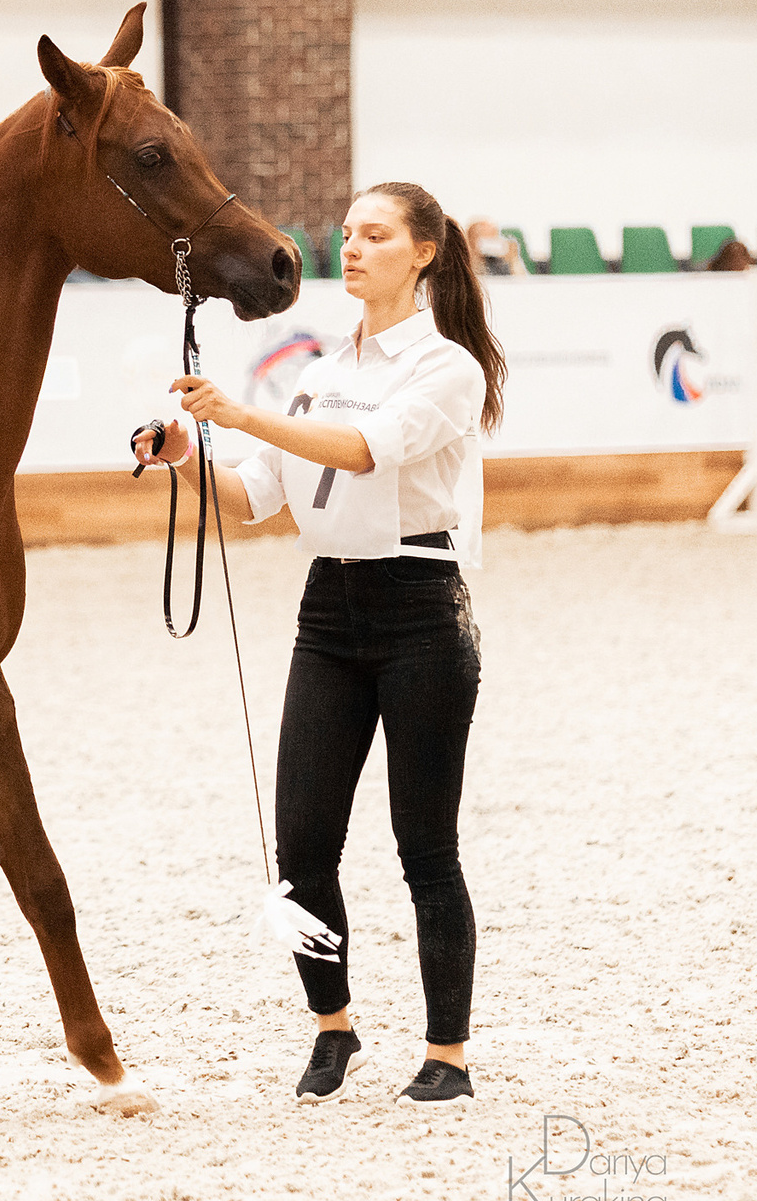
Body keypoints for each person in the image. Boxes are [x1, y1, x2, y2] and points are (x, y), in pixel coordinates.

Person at [130, 180, 505, 1110]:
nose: (353, 247)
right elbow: (256, 495)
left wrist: (240, 414)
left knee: (425, 845)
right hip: (328, 613)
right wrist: (185, 453)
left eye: (374, 235)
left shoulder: (448, 369)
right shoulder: (316, 370)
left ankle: (446, 1051)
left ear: (422, 253)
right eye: (347, 233)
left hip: (422, 608)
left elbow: (367, 451)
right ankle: (332, 1027)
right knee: (301, 845)